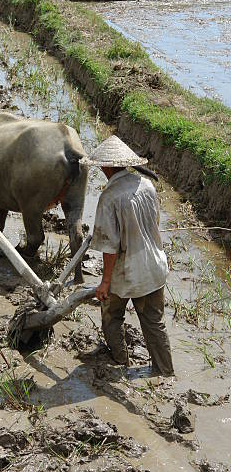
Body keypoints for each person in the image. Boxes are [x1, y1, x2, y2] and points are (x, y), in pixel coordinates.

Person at [89, 135, 174, 377]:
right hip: (155, 266)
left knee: (111, 314)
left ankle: (119, 360)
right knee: (155, 324)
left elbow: (110, 247)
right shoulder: (147, 185)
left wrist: (105, 282)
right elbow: (154, 224)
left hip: (128, 271)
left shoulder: (110, 197)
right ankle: (165, 372)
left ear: (105, 166)